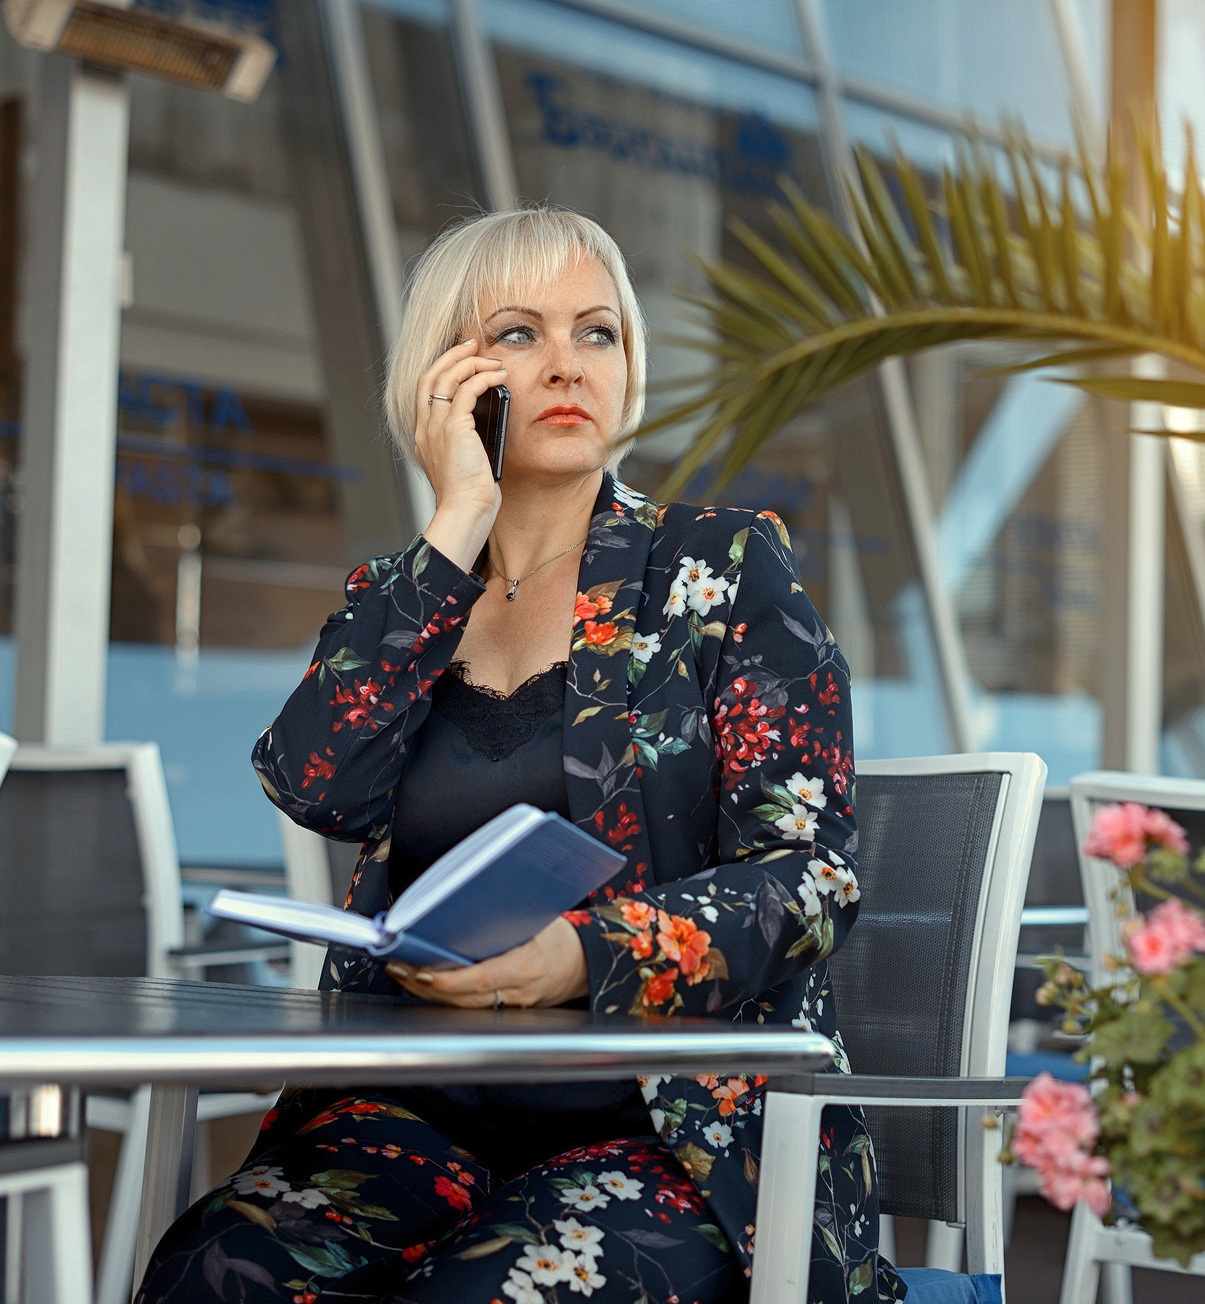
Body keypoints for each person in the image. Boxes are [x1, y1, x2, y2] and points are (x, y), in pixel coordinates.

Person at [136, 207, 898, 1304]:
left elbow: (814, 877)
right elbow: (310, 784)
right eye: (518, 334)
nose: (566, 365)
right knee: (218, 1272)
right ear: (447, 375)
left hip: (664, 1129)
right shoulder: (399, 597)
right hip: (415, 1115)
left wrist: (579, 954)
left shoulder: (723, 569)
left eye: (597, 333)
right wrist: (457, 524)